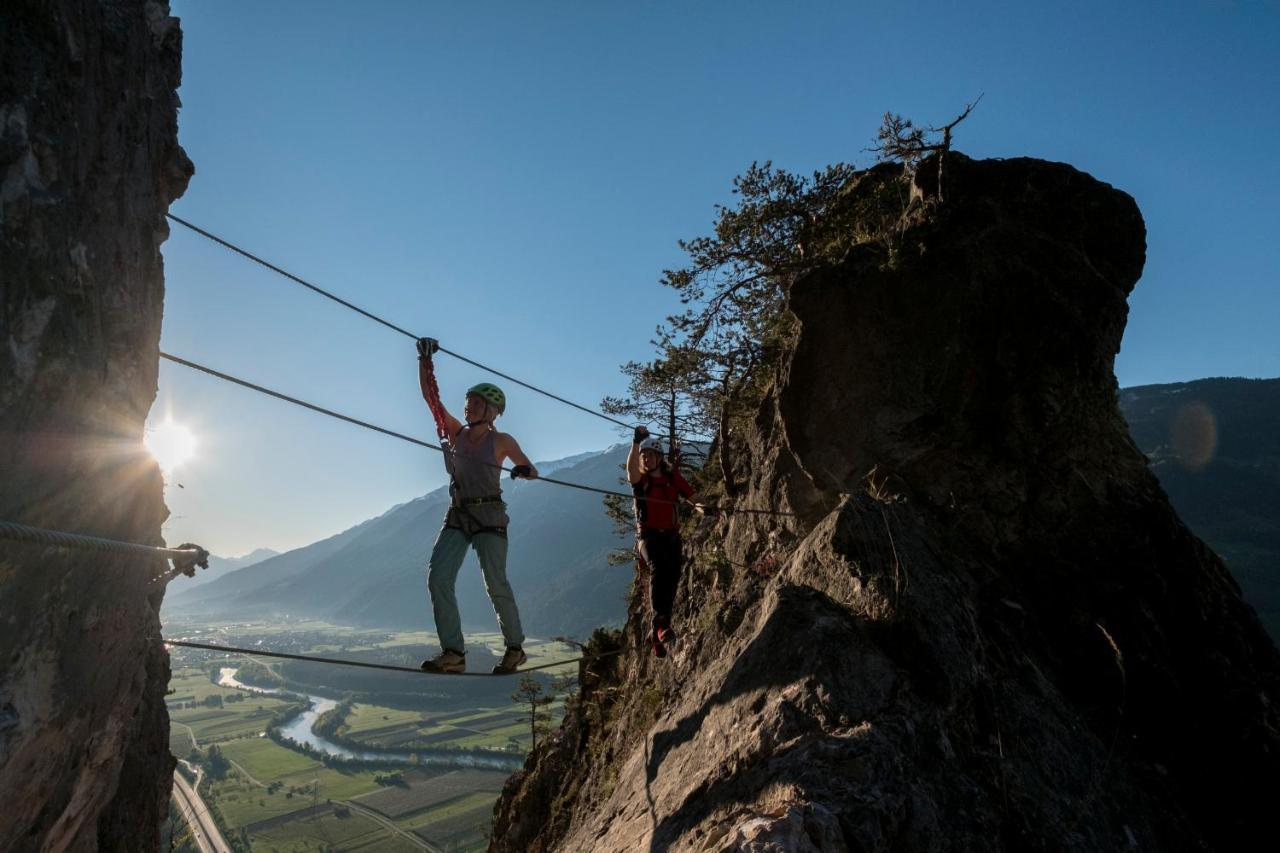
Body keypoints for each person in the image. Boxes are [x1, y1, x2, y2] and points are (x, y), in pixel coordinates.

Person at [417, 338, 538, 674]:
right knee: (437, 578)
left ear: (491, 411)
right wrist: (424, 360)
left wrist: (522, 470)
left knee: (495, 583)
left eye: (474, 403)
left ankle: (515, 648)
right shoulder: (455, 434)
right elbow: (432, 399)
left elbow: (532, 470)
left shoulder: (500, 441)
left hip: (489, 515)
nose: (468, 407)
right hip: (459, 513)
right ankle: (453, 653)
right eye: (468, 401)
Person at [628, 425, 709, 657]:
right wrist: (636, 444)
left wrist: (706, 509)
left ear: (659, 457)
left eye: (651, 455)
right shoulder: (640, 481)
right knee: (658, 569)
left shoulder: (673, 479)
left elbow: (693, 498)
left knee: (673, 577)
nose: (647, 459)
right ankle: (660, 625)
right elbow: (630, 469)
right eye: (644, 456)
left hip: (671, 536)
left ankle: (660, 630)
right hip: (648, 537)